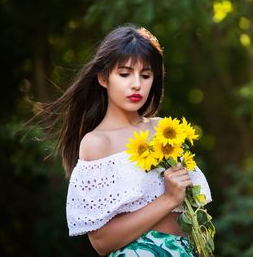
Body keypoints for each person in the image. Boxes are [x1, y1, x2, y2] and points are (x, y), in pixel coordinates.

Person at [40, 25, 212, 256]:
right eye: (124, 74)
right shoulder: (97, 143)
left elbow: (191, 208)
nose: (136, 85)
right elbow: (101, 241)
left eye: (145, 75)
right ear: (103, 77)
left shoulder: (164, 129)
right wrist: (168, 199)